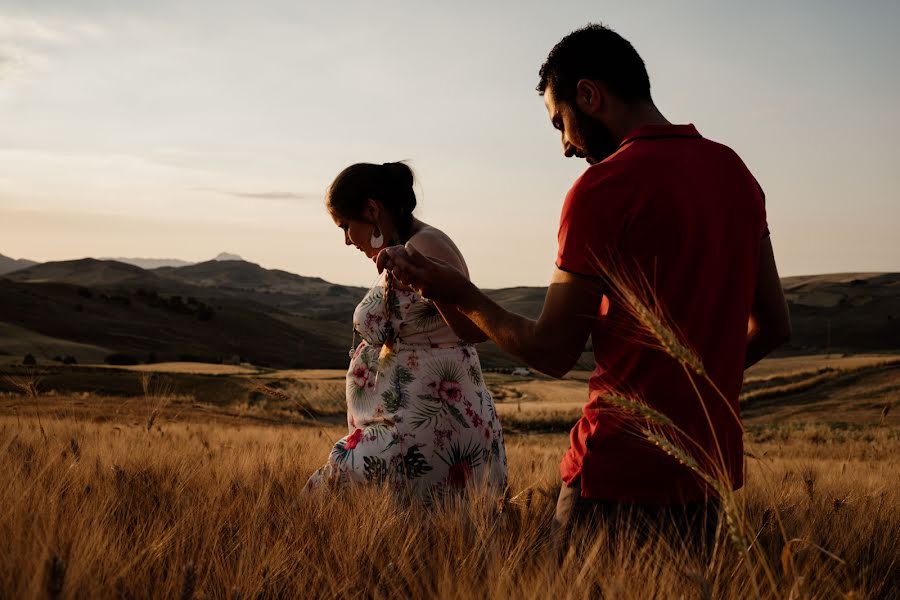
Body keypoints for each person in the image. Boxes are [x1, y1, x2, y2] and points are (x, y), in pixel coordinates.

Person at [376, 24, 791, 543]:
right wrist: (695, 386)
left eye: (560, 123)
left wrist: (456, 292)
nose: (566, 148)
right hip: (711, 474)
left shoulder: (603, 187)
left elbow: (553, 351)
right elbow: (773, 325)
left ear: (590, 95)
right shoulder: (737, 173)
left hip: (614, 475)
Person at [304, 161, 508, 501]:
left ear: (371, 209)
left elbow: (472, 328)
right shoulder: (410, 246)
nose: (345, 240)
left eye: (345, 226)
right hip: (412, 425)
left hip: (427, 430)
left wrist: (419, 279)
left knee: (318, 509)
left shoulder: (426, 245)